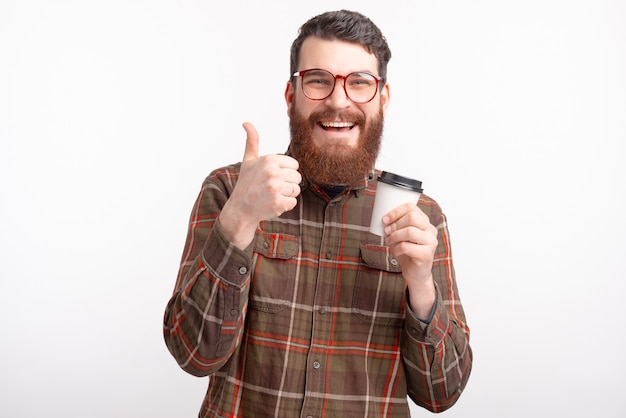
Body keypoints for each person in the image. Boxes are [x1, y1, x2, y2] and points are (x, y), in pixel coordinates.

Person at [164, 9, 472, 417]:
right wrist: (238, 221)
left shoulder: (421, 217)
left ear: (383, 98)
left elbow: (441, 394)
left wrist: (421, 287)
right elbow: (193, 354)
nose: (338, 101)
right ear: (292, 95)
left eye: (360, 83)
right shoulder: (231, 191)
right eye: (318, 81)